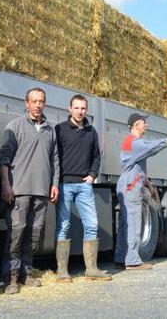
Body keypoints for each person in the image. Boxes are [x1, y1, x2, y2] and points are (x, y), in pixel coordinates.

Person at [0, 88, 59, 294]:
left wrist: (54, 183)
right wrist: (6, 185)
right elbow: (4, 159)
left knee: (34, 235)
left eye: (41, 101)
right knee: (17, 233)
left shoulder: (51, 129)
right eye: (34, 101)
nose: (37, 105)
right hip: (20, 191)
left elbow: (55, 160)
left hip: (42, 190)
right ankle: (11, 278)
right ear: (26, 103)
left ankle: (27, 273)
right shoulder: (15, 126)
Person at [54, 94, 111, 282]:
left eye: (83, 108)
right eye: (76, 108)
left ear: (86, 110)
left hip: (84, 186)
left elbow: (97, 156)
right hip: (64, 185)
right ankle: (62, 272)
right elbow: (53, 157)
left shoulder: (91, 131)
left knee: (92, 224)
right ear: (69, 109)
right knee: (63, 226)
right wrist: (55, 182)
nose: (80, 111)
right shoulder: (60, 130)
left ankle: (91, 269)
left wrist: (92, 176)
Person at [114, 113, 167, 270]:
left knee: (126, 224)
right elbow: (150, 148)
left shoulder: (131, 142)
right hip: (130, 186)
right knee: (134, 223)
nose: (146, 126)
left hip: (129, 183)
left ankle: (122, 257)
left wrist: (148, 185)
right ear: (136, 125)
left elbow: (136, 167)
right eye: (144, 123)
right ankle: (133, 261)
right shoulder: (133, 142)